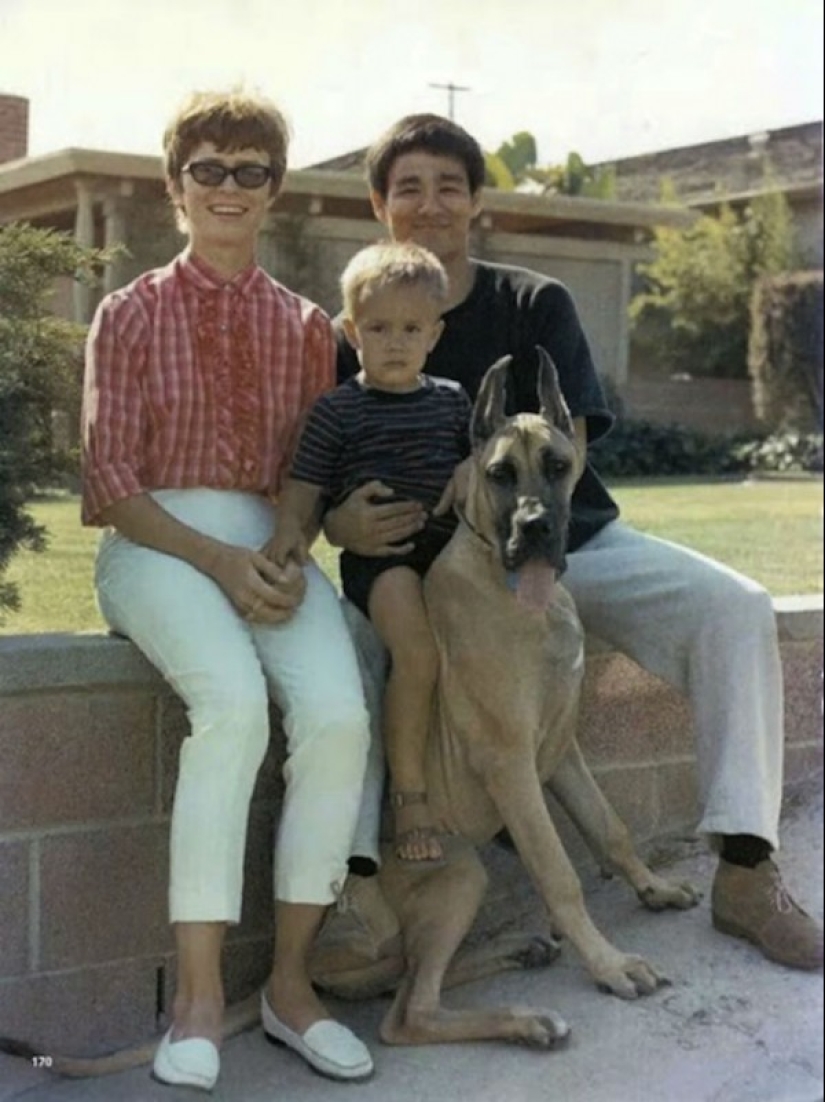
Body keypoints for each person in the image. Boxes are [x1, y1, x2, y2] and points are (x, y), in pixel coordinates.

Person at [323, 113, 824, 973]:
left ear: (476, 201)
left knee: (734, 609)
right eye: (409, 187)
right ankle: (360, 907)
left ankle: (745, 867)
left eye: (450, 186)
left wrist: (517, 522)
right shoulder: (351, 327)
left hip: (571, 544)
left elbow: (570, 444)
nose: (431, 203)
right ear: (379, 204)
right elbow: (329, 467)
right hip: (425, 572)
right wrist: (337, 524)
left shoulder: (533, 302)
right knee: (355, 672)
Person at [81, 89, 375, 1092]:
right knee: (235, 703)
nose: (229, 188)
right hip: (156, 543)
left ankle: (292, 990)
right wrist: (219, 561)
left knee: (337, 713)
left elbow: (309, 468)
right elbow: (112, 482)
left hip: (271, 542)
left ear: (274, 191)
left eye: (251, 171)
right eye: (208, 168)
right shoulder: (127, 313)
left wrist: (286, 548)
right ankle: (198, 999)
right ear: (175, 187)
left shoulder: (304, 326)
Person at [270, 240, 471, 866]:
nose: (395, 342)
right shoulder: (338, 410)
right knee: (416, 654)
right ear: (351, 330)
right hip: (383, 562)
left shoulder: (452, 401)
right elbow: (304, 488)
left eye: (411, 329)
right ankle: (409, 796)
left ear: (434, 335)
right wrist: (285, 543)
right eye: (378, 328)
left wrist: (471, 467)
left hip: (449, 558)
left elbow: (478, 465)